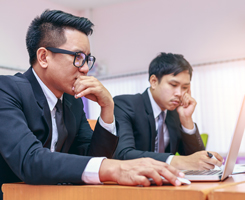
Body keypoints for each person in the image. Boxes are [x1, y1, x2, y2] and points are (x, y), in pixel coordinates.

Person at [0, 10, 184, 200]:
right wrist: (114, 168)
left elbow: (91, 157)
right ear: (44, 57)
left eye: (87, 59)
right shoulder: (6, 90)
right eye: (78, 57)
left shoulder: (72, 102)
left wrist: (107, 108)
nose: (86, 68)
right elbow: (30, 161)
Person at [113, 52, 224, 170]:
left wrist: (186, 119)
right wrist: (173, 161)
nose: (180, 93)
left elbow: (195, 160)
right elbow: (123, 155)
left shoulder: (175, 113)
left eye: (185, 87)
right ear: (154, 81)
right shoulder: (125, 105)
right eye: (173, 84)